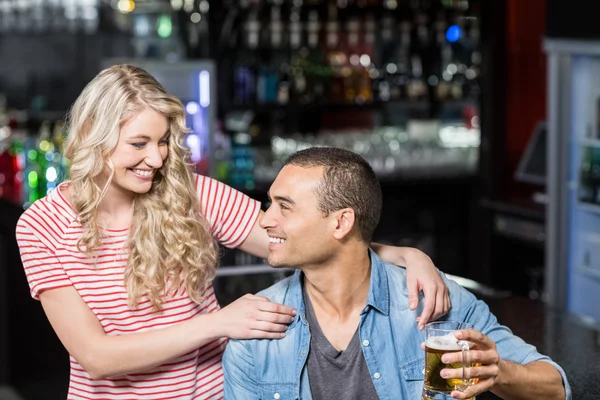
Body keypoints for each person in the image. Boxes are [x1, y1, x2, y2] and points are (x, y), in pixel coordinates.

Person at [15, 65, 450, 399]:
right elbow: (97, 358)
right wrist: (217, 323)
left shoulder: (192, 193)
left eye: (163, 141)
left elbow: (302, 238)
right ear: (94, 135)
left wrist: (405, 254)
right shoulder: (40, 226)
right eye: (139, 143)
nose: (157, 158)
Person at [222, 147, 571, 400]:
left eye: (284, 206)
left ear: (341, 222)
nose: (265, 219)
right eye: (270, 203)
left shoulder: (435, 302)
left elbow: (555, 387)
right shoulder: (256, 330)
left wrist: (499, 372)